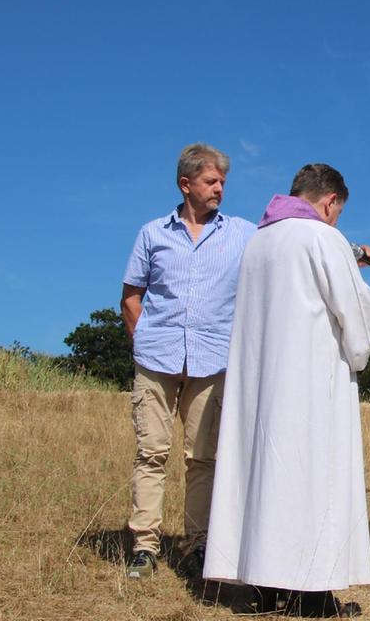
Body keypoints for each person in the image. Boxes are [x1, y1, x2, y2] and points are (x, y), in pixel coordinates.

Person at [204, 163, 370, 618]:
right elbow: (355, 315)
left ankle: (263, 587)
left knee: (267, 477)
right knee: (311, 479)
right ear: (329, 202)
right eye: (337, 212)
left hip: (262, 383)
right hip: (310, 381)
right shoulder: (323, 239)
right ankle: (314, 597)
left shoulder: (259, 242)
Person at [120, 143, 258, 581]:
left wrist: (350, 253)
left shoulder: (242, 233)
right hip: (156, 361)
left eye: (222, 182)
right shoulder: (152, 233)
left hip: (212, 362)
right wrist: (144, 342)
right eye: (211, 181)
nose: (220, 189)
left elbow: (290, 245)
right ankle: (144, 546)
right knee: (151, 454)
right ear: (185, 184)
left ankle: (197, 546)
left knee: (203, 458)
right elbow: (130, 296)